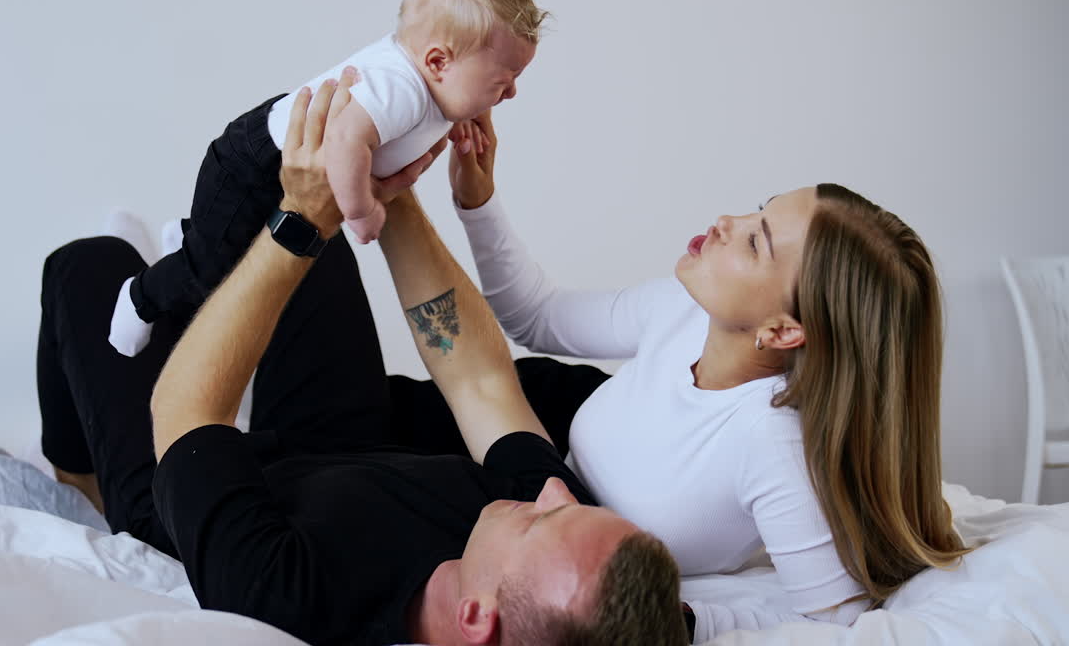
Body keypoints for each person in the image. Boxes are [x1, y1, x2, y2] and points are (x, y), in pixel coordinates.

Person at [36, 72, 687, 646]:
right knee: (314, 239)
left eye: (539, 523)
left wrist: (301, 220)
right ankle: (187, 281)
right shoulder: (542, 516)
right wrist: (386, 182)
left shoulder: (292, 599)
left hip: (190, 493)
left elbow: (188, 409)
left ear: (475, 620)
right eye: (568, 504)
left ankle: (80, 478)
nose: (552, 489)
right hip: (341, 449)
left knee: (88, 266)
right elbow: (479, 379)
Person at [396, 109, 971, 641]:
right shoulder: (685, 310)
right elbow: (538, 316)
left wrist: (692, 621)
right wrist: (477, 200)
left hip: (537, 503)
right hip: (545, 428)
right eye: (758, 209)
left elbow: (832, 617)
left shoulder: (768, 442)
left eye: (755, 242)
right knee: (365, 406)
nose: (726, 221)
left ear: (782, 331)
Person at [107, 0, 538, 357]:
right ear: (439, 63)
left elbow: (428, 108)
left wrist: (461, 110)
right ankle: (141, 293)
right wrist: (362, 210)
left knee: (243, 259)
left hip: (279, 169)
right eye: (503, 81)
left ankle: (195, 238)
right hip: (254, 165)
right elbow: (346, 140)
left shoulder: (432, 83)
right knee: (213, 275)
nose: (513, 92)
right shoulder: (399, 88)